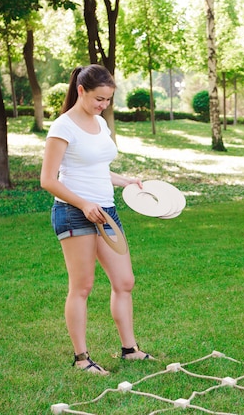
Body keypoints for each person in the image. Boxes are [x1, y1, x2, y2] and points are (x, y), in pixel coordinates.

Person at [40, 64, 153, 375]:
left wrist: (125, 181)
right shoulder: (63, 127)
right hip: (73, 211)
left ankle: (129, 349)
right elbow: (48, 180)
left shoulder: (100, 124)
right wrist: (83, 203)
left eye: (108, 100)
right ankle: (81, 358)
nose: (103, 106)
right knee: (82, 286)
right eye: (98, 99)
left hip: (105, 210)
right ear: (81, 91)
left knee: (124, 281)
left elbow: (98, 168)